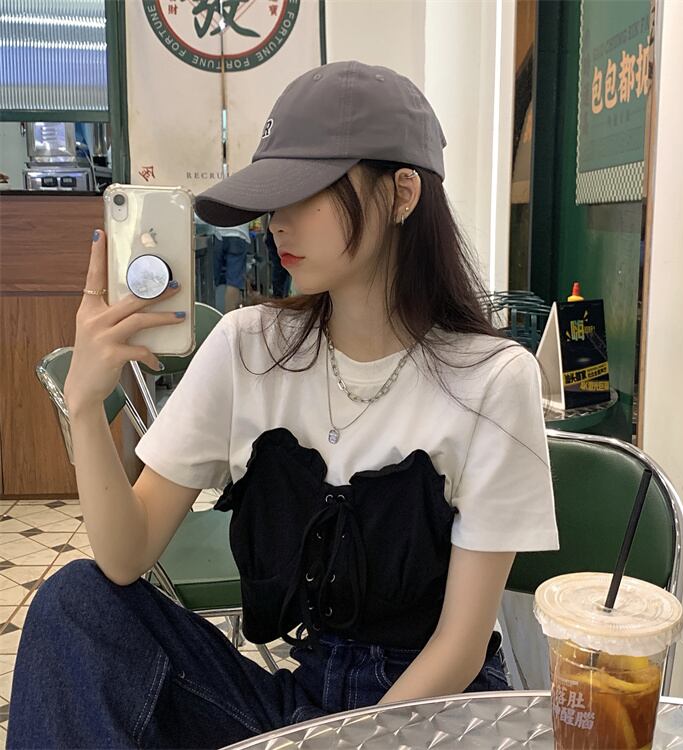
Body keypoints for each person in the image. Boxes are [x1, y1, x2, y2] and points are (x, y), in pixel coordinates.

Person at [8, 61, 559, 748]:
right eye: (273, 198)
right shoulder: (248, 347)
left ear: (402, 193)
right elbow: (125, 557)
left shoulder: (492, 379)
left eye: (307, 191)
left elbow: (460, 647)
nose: (277, 221)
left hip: (434, 717)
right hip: (302, 703)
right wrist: (87, 404)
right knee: (74, 604)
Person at [265, 227, 292, 298]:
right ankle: (283, 295)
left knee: (279, 267)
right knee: (287, 267)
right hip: (287, 232)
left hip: (274, 232)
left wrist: (265, 232)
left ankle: (279, 296)